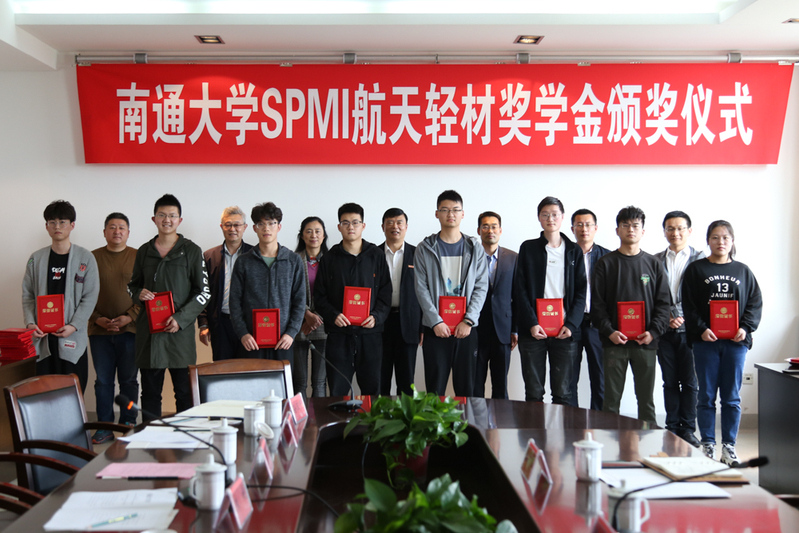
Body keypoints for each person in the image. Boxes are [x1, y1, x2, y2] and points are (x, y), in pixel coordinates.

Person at [683, 220, 762, 465]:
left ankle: (729, 447)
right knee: (706, 395)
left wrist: (745, 328)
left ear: (732, 241)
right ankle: (708, 444)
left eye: (725, 237)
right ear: (708, 241)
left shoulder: (743, 271)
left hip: (735, 344)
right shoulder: (696, 270)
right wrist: (702, 329)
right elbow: (689, 305)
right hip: (705, 342)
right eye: (715, 237)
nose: (721, 242)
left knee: (731, 397)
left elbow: (755, 303)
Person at [128, 194, 210, 420]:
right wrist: (138, 294)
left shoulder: (191, 251)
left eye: (172, 216)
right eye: (162, 215)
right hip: (150, 334)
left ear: (180, 220)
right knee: (150, 393)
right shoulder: (144, 251)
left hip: (179, 335)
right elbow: (132, 286)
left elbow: (204, 292)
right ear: (154, 219)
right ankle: (151, 435)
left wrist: (181, 319)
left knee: (184, 392)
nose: (167, 220)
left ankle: (186, 435)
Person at [591, 206, 670, 425]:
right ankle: (609, 443)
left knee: (646, 401)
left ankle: (649, 442)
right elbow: (597, 304)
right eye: (625, 225)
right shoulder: (605, 263)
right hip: (614, 342)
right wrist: (610, 331)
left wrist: (653, 332)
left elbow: (664, 304)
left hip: (646, 343)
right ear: (617, 230)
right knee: (611, 400)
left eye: (635, 225)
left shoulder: (654, 264)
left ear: (643, 231)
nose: (630, 229)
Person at [414, 190, 488, 396]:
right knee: (435, 390)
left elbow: (481, 286)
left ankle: (466, 420)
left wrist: (469, 321)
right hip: (436, 329)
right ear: (437, 214)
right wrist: (435, 322)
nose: (450, 214)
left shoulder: (475, 248)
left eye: (455, 210)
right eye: (445, 210)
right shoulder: (424, 248)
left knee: (466, 391)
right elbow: (421, 288)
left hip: (466, 329)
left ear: (463, 214)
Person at [514, 197, 586, 404]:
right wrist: (531, 323)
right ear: (539, 218)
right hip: (533, 331)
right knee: (534, 393)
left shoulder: (573, 250)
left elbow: (581, 291)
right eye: (545, 214)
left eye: (555, 214)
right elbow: (520, 290)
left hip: (564, 331)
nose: (550, 219)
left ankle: (560, 428)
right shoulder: (528, 248)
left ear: (562, 217)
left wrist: (571, 324)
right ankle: (535, 428)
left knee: (563, 394)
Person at [314, 203, 391, 395]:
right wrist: (333, 315)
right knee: (337, 391)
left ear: (363, 226)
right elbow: (319, 296)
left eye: (355, 222)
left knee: (372, 391)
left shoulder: (376, 255)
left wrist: (376, 317)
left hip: (370, 334)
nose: (351, 227)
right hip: (339, 335)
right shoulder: (329, 258)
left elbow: (385, 293)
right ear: (339, 226)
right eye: (345, 222)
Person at [22, 200, 99, 395]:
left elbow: (90, 296)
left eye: (62, 222)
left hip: (72, 336)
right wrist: (30, 323)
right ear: (46, 226)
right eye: (52, 222)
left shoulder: (85, 257)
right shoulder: (36, 258)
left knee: (73, 392)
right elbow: (28, 295)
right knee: (43, 392)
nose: (57, 226)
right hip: (43, 338)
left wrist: (74, 325)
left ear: (72, 225)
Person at [229, 202, 305, 363]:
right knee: (253, 380)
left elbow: (299, 301)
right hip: (252, 341)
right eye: (261, 224)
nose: (266, 228)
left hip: (283, 341)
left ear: (279, 226)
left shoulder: (293, 260)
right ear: (254, 228)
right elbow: (234, 302)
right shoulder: (244, 261)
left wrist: (291, 333)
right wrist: (243, 333)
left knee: (282, 380)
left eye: (271, 223)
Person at [88, 213, 140, 444]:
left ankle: (128, 422)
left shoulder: (139, 257)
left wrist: (129, 317)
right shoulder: (91, 258)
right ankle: (104, 426)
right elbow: (82, 294)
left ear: (128, 232)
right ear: (104, 232)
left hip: (130, 331)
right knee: (103, 381)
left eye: (121, 227)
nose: (117, 231)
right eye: (112, 227)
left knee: (129, 380)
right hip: (99, 331)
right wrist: (96, 318)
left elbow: (147, 293)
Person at [654, 211, 704, 447]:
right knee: (670, 381)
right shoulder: (655, 260)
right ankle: (672, 427)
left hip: (691, 331)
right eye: (670, 228)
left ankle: (688, 428)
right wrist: (667, 316)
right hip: (664, 331)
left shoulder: (700, 260)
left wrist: (681, 315)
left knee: (691, 382)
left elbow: (703, 295)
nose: (675, 233)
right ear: (664, 231)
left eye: (680, 228)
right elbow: (652, 294)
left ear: (689, 231)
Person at [197, 206, 253, 361]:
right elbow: (202, 291)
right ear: (221, 227)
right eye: (228, 225)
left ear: (245, 227)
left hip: (248, 324)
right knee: (222, 369)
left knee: (248, 369)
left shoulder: (254, 255)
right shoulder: (209, 256)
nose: (232, 229)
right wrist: (203, 323)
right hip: (220, 323)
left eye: (237, 225)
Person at [569, 208, 610, 411]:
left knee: (600, 378)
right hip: (571, 324)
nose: (584, 229)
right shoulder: (566, 254)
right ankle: (571, 421)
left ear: (595, 228)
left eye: (588, 225)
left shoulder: (607, 257)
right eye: (579, 225)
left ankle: (600, 421)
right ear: (572, 229)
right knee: (568, 379)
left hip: (598, 325)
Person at [379, 208, 422, 396]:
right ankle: (380, 415)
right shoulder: (374, 254)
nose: (394, 226)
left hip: (409, 324)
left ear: (406, 226)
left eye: (399, 223)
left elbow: (424, 292)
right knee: (380, 379)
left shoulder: (417, 253)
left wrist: (422, 326)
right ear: (383, 227)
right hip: (380, 324)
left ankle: (406, 415)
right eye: (390, 222)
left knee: (406, 381)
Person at [474, 211, 517, 399]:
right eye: (485, 226)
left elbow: (517, 296)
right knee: (475, 384)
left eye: (494, 227)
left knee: (500, 385)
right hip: (476, 329)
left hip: (503, 331)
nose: (490, 230)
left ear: (500, 230)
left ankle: (501, 418)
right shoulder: (471, 257)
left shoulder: (513, 258)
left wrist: (515, 329)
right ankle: (476, 418)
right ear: (478, 230)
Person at [293, 216, 329, 400]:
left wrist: (315, 318)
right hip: (299, 325)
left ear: (324, 236)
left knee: (320, 382)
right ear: (302, 236)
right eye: (309, 231)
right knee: (299, 381)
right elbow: (289, 292)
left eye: (317, 231)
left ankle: (319, 417)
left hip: (324, 325)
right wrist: (306, 314)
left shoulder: (331, 260)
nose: (313, 235)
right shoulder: (292, 260)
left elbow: (335, 294)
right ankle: (300, 417)